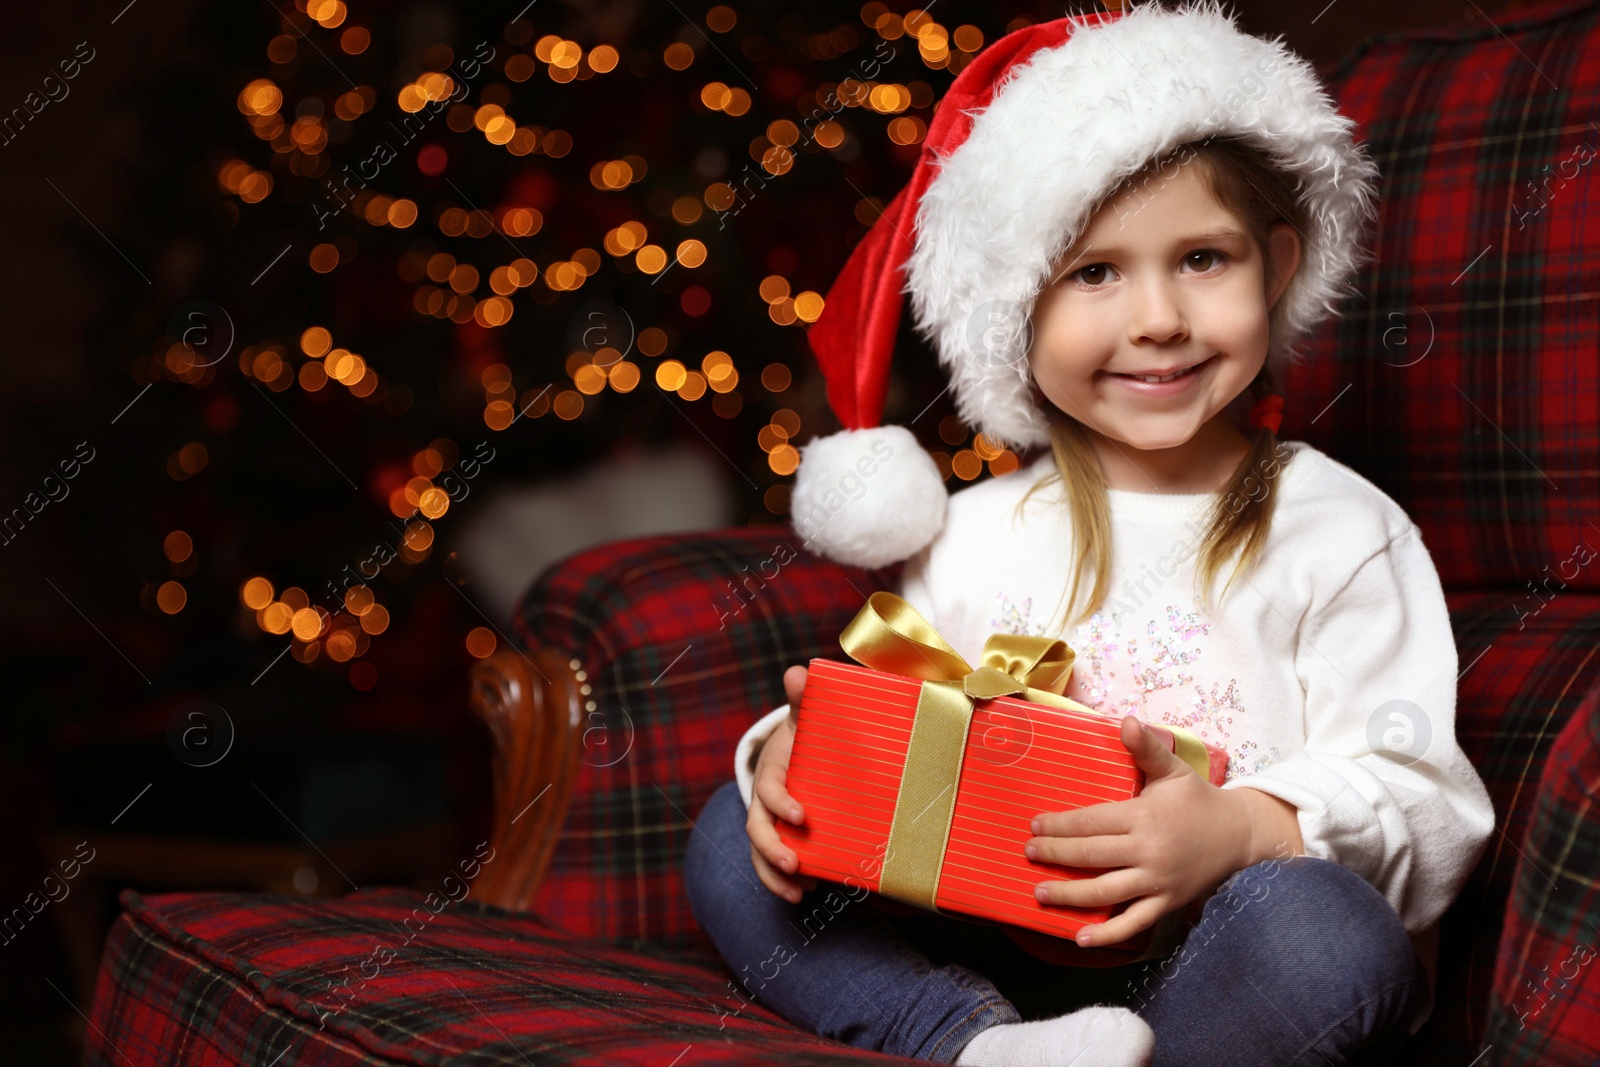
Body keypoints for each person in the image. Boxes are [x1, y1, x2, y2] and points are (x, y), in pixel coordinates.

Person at [683, 3, 1495, 1065]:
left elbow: (1429, 803)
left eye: (1201, 258)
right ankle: (963, 1039)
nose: (1155, 317)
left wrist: (1242, 828)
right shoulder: (973, 532)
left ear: (1277, 261)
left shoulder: (1338, 529)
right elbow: (879, 726)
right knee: (729, 832)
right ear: (1017, 310)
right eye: (1094, 273)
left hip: (1208, 964)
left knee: (1326, 935)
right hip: (969, 939)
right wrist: (803, 760)